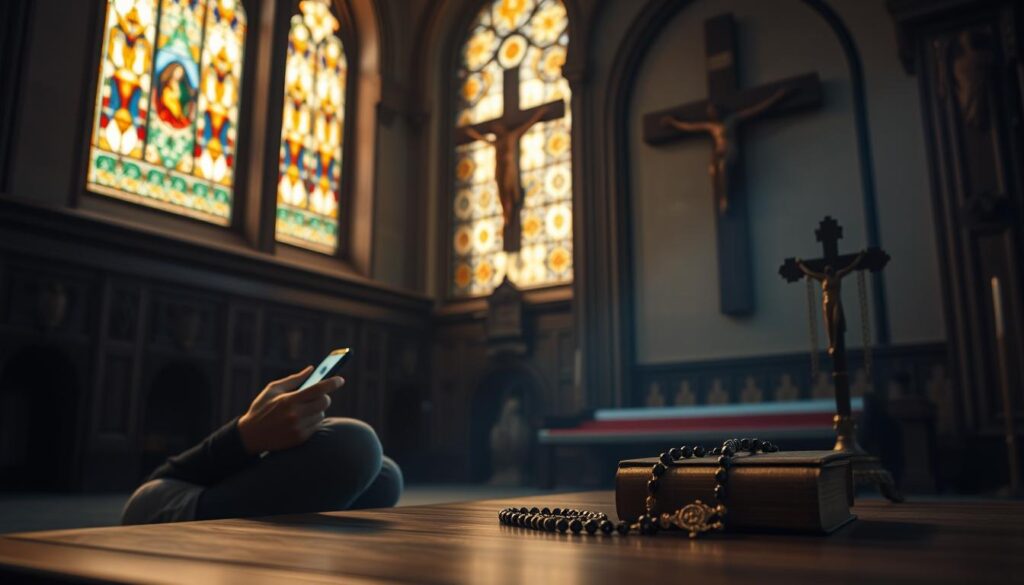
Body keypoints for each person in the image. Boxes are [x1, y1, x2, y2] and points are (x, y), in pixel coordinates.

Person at [121, 366, 403, 524]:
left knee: (386, 474)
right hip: (156, 503)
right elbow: (165, 477)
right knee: (357, 443)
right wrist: (247, 434)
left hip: (197, 483)